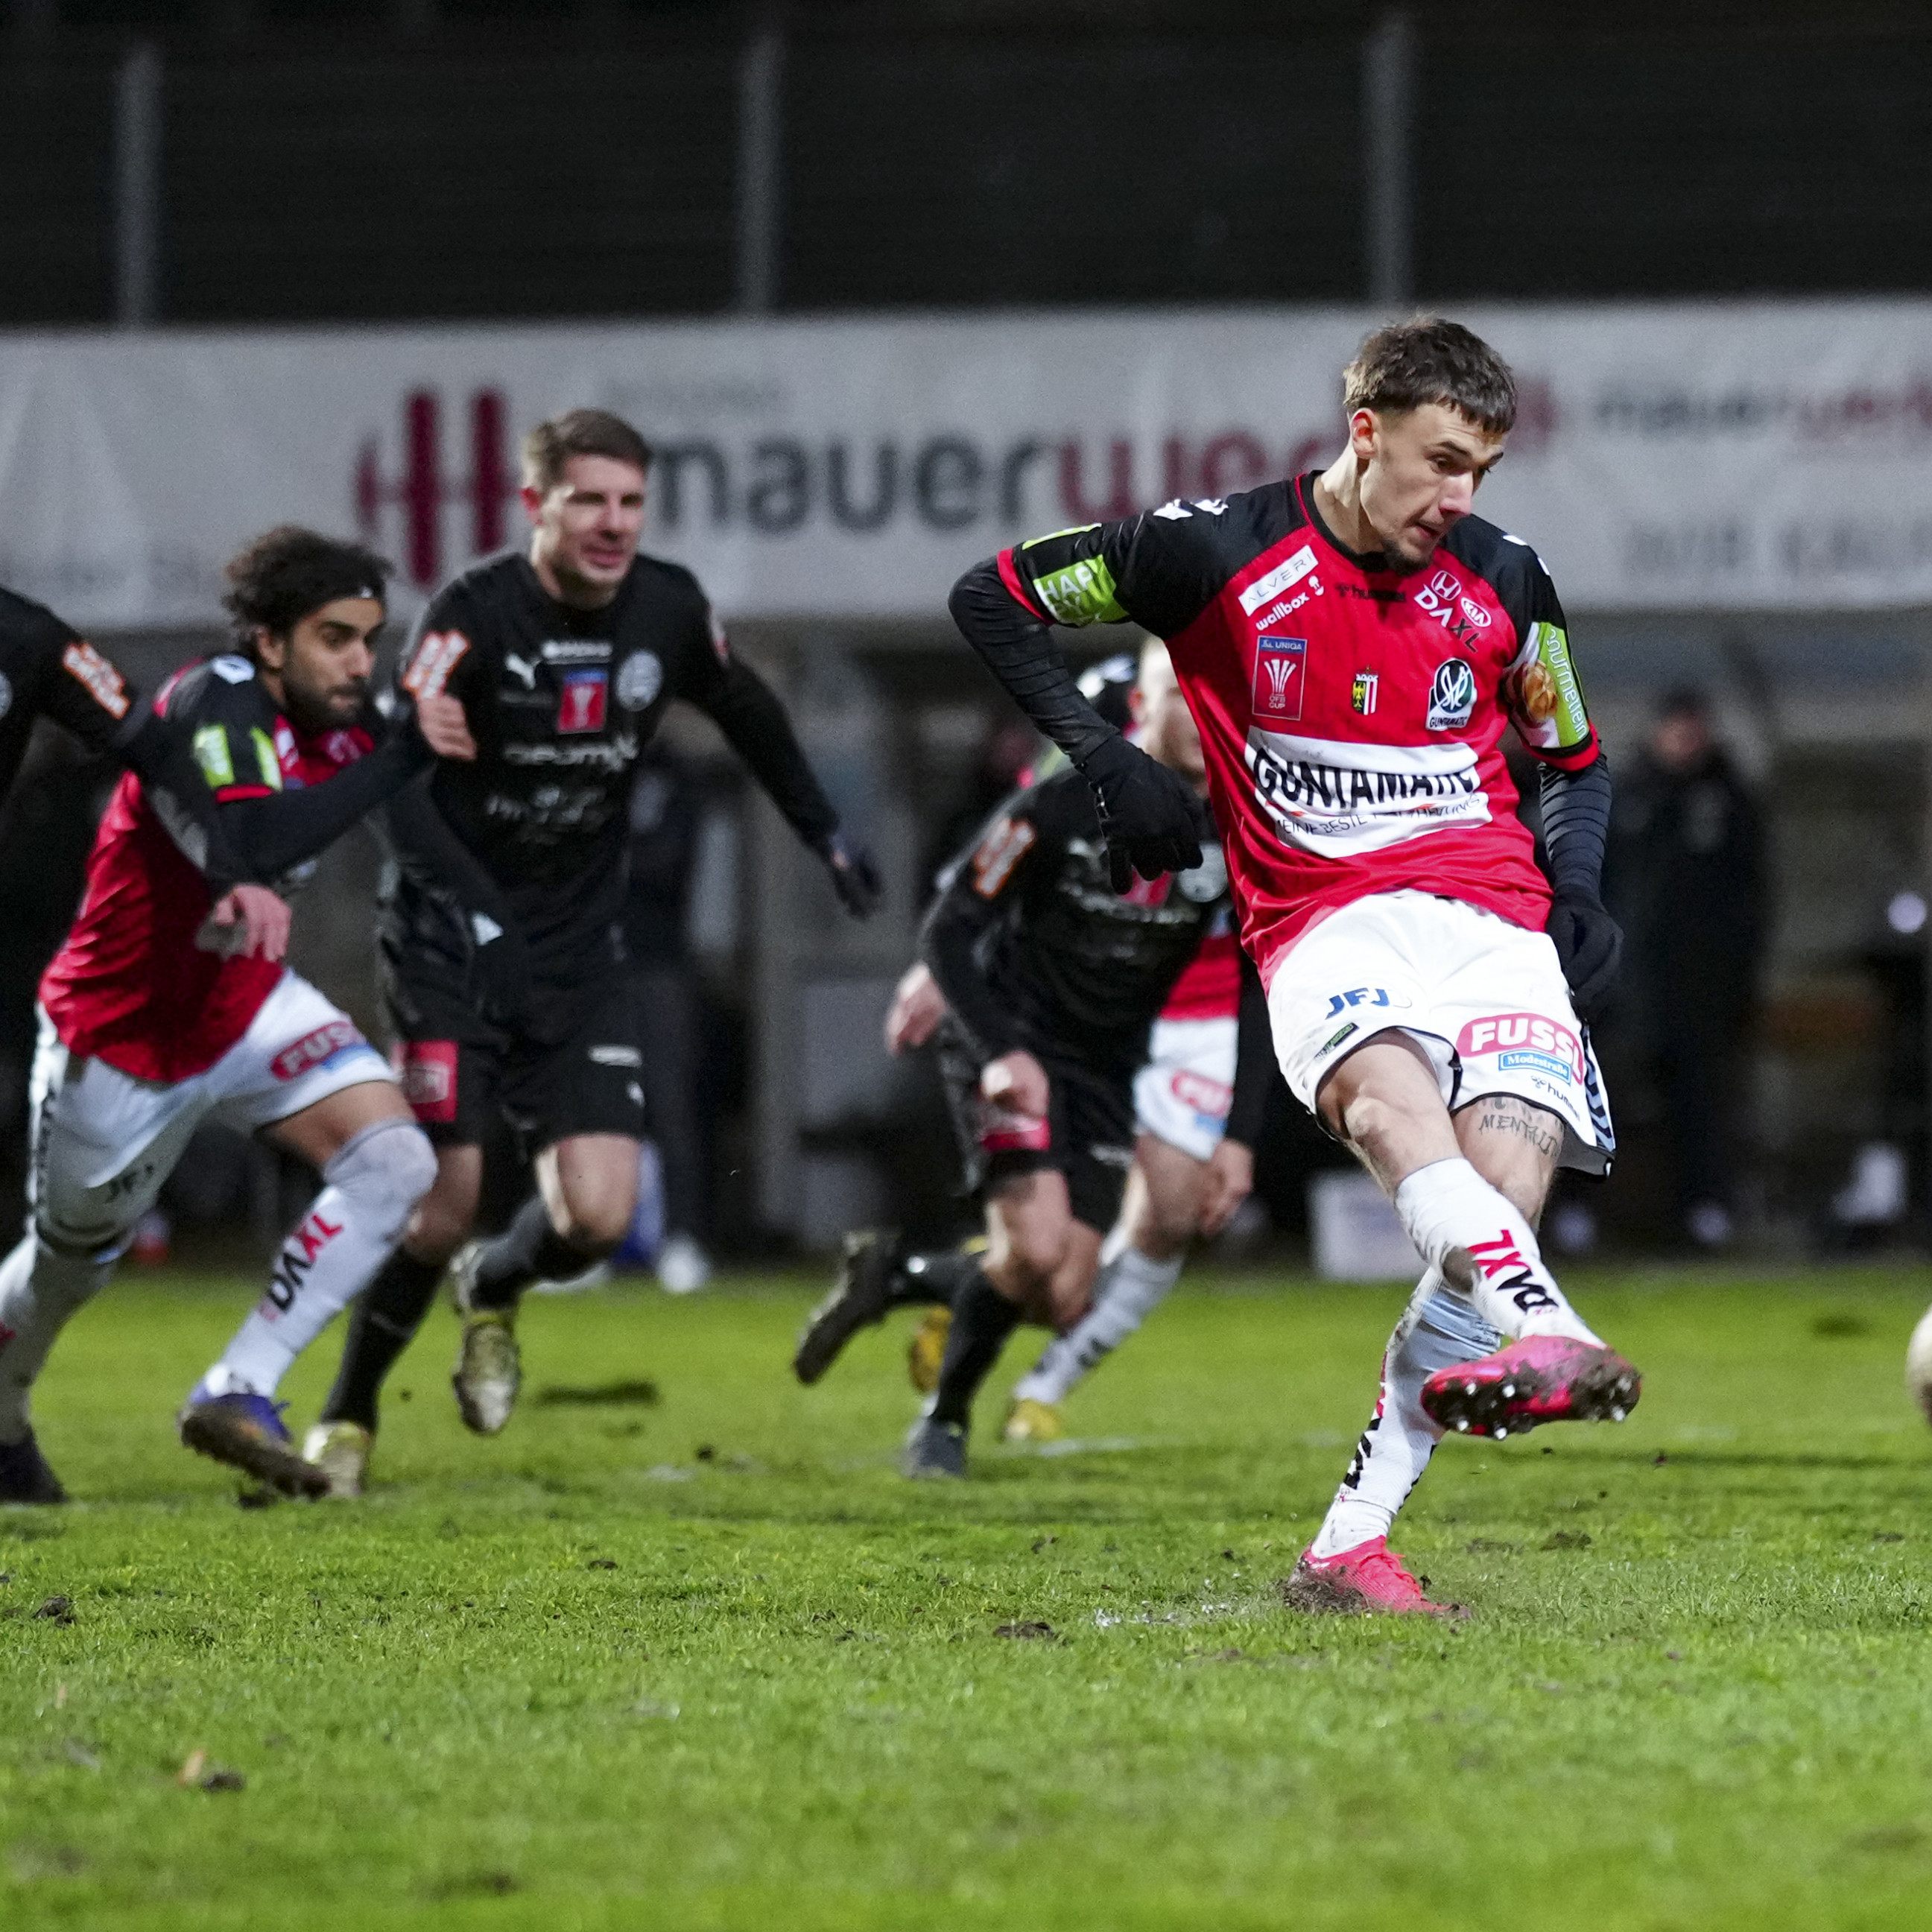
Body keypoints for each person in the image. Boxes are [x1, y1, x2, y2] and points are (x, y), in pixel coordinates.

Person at [943, 315, 1637, 1612]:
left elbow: (1574, 759)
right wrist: (1107, 761)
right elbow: (991, 595)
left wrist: (1580, 883)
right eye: (1438, 461)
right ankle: (1561, 1338)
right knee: (1392, 1115)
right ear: (1361, 430)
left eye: (1480, 469)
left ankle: (1347, 1541)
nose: (1458, 497)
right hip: (1324, 919)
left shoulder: (1508, 578)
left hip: (1491, 916)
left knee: (1494, 1205)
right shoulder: (1204, 549)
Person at [308, 408, 880, 1497]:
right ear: (538, 505)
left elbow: (747, 708)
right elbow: (400, 794)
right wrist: (478, 916)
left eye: (630, 503)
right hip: (449, 938)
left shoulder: (664, 606)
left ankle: (498, 1283)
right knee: (441, 1191)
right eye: (590, 502)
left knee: (601, 1214)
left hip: (576, 947)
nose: (613, 524)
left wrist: (821, 829)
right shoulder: (470, 617)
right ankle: (348, 1419)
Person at [0, 528, 475, 1503]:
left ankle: (240, 1385)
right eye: (335, 638)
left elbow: (408, 822)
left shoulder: (347, 719)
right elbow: (259, 833)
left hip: (245, 1005)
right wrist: (396, 759)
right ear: (269, 642)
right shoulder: (214, 700)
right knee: (65, 1272)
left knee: (396, 1162)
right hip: (121, 1041)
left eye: (369, 639)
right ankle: (2, 1418)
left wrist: (496, 927)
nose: (359, 663)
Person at [792, 640, 1267, 1478]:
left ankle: (897, 1278)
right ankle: (942, 1422)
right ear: (1138, 707)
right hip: (1009, 1041)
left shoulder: (1240, 827)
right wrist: (1003, 1049)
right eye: (1177, 695)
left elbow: (1265, 981)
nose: (1197, 714)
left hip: (1107, 1065)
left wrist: (1241, 1133)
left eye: (1212, 697)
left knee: (1064, 1294)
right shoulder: (1058, 807)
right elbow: (947, 927)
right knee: (1038, 1246)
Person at [1604, 687, 1769, 1248]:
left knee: (1700, 1105)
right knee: (1615, 1098)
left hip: (1704, 988)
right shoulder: (1626, 793)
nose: (1684, 740)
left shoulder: (1726, 797)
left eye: (1693, 728)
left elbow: (1751, 897)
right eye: (1676, 728)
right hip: (1632, 987)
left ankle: (1703, 1209)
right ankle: (1605, 1217)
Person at [621, 742, 714, 1293]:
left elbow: (668, 861)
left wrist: (608, 860)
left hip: (658, 962)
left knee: (669, 1100)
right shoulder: (591, 763)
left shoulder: (675, 774)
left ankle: (681, 1238)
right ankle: (584, 1238)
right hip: (594, 960)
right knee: (591, 1102)